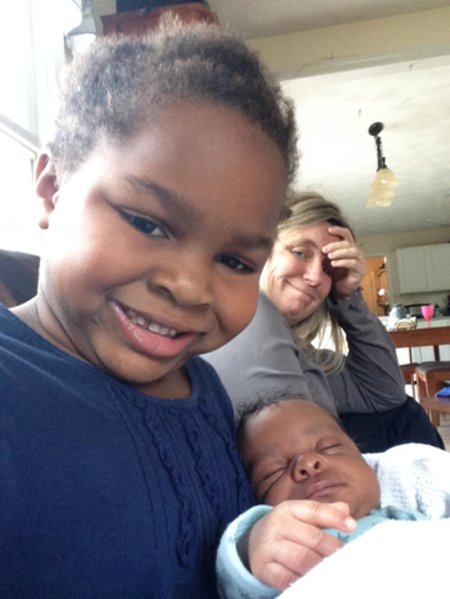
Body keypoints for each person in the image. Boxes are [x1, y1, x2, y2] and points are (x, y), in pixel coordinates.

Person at [0, 20, 301, 598]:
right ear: (52, 187)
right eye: (147, 224)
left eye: (235, 261)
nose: (189, 288)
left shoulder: (204, 390)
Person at [203, 193, 444, 452]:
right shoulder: (229, 329)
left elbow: (384, 395)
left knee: (406, 414)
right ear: (260, 250)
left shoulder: (308, 359)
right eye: (299, 252)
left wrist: (348, 298)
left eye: (329, 269)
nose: (316, 277)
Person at [216, 396, 450, 598]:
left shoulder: (408, 517)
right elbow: (238, 587)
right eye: (273, 472)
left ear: (365, 459)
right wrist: (247, 549)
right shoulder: (286, 548)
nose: (308, 463)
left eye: (329, 447)